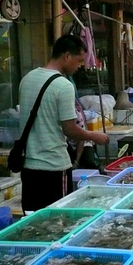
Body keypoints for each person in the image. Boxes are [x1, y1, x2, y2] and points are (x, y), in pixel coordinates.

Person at [19, 35, 109, 212]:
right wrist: (95, 136)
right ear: (67, 56)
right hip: (53, 166)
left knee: (32, 218)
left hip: (28, 166)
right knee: (57, 219)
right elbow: (70, 130)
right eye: (79, 60)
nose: (80, 66)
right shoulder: (63, 85)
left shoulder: (27, 79)